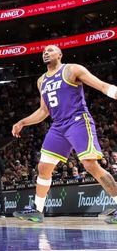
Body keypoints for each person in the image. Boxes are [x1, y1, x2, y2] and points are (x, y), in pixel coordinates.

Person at [12, 45, 117, 224]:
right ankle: (37, 210)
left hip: (77, 120)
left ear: (60, 55)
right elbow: (44, 111)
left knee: (90, 164)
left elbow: (101, 85)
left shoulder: (72, 69)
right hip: (58, 126)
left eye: (50, 50)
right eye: (43, 51)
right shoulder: (41, 81)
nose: (46, 52)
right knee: (43, 168)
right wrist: (23, 122)